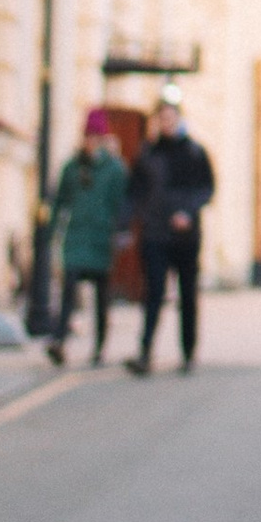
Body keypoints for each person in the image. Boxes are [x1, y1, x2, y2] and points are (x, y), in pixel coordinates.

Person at [125, 100, 216, 376]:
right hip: (155, 233)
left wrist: (188, 213)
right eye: (161, 119)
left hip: (186, 237)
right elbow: (135, 192)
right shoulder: (148, 154)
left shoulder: (195, 152)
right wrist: (129, 222)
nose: (166, 123)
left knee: (188, 295)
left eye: (170, 118)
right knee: (153, 293)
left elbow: (207, 189)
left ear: (179, 120)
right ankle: (145, 352)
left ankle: (188, 352)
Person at [43, 107, 130, 369]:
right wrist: (52, 230)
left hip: (101, 238)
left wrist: (122, 230)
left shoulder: (115, 169)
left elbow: (123, 203)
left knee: (101, 296)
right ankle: (59, 341)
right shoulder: (72, 167)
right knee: (68, 289)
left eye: (95, 137)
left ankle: (99, 347)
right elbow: (60, 201)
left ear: (102, 139)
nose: (90, 142)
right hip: (77, 236)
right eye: (87, 136)